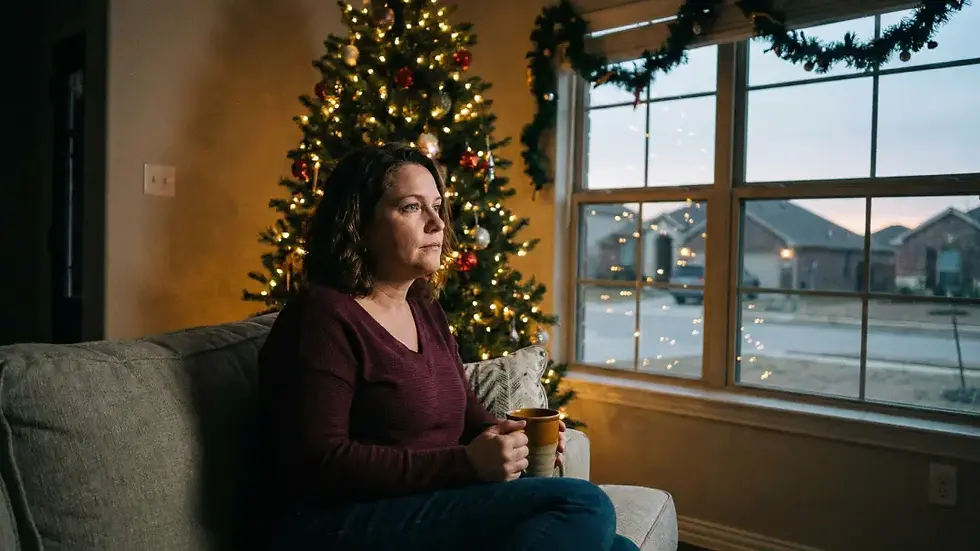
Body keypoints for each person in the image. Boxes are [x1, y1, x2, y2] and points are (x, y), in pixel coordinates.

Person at [252, 142, 638, 551]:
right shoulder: (321, 315)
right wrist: (466, 463)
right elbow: (319, 463)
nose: (437, 223)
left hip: (426, 504)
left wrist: (517, 435)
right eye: (412, 207)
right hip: (336, 522)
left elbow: (469, 417)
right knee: (583, 504)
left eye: (437, 206)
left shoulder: (425, 309)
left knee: (621, 548)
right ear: (359, 223)